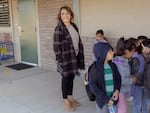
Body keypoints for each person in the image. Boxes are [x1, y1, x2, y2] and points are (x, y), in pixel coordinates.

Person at [53, 6, 85, 112]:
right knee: (66, 79)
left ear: (71, 15)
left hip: (74, 56)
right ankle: (65, 100)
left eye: (67, 13)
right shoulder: (59, 29)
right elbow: (56, 46)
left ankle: (70, 97)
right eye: (62, 13)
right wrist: (60, 60)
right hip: (65, 58)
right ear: (60, 16)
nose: (65, 15)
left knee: (71, 77)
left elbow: (77, 41)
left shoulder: (74, 26)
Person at [88, 42, 121, 113]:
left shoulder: (113, 66)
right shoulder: (94, 69)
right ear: (101, 54)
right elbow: (93, 86)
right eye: (109, 52)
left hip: (113, 100)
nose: (113, 52)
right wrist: (106, 99)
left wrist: (117, 90)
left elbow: (118, 78)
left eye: (112, 50)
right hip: (102, 102)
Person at [113, 37, 136, 113]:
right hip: (120, 90)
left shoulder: (118, 59)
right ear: (126, 51)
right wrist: (132, 80)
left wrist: (130, 76)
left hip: (118, 89)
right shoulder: (121, 64)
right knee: (122, 107)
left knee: (118, 106)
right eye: (132, 52)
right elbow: (122, 80)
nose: (133, 54)